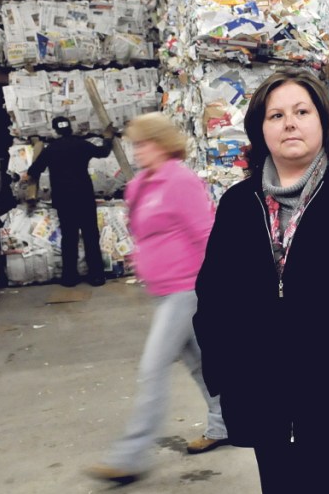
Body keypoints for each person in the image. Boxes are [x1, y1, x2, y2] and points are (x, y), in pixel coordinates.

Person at [193, 71, 329, 493]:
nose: (289, 123)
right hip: (270, 407)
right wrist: (229, 381)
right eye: (276, 115)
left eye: (302, 112)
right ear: (260, 129)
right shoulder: (239, 205)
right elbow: (214, 299)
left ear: (323, 121)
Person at [86, 113, 228, 484]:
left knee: (152, 368)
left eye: (144, 143)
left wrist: (219, 287)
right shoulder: (140, 185)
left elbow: (205, 233)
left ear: (163, 143)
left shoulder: (180, 180)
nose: (137, 151)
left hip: (186, 288)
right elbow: (143, 232)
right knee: (200, 363)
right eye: (135, 144)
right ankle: (225, 422)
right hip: (162, 290)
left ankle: (129, 457)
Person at [23, 116, 113, 286]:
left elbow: (34, 170)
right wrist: (107, 139)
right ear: (70, 128)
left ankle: (69, 277)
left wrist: (27, 177)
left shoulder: (51, 149)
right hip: (84, 197)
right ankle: (96, 276)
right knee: (90, 235)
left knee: (69, 237)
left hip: (64, 199)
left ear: (55, 130)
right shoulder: (82, 144)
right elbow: (103, 152)